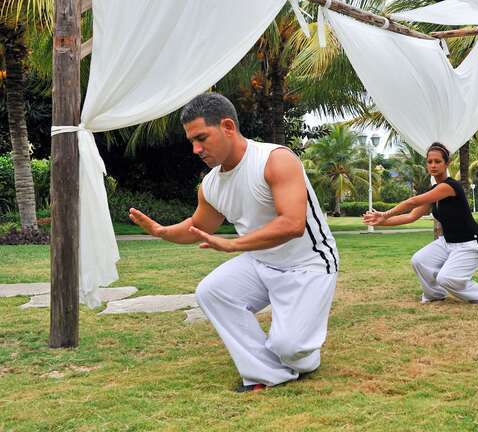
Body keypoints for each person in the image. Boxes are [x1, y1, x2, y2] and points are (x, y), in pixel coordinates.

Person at [128, 93, 339, 391]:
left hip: (309, 264)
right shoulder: (211, 184)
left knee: (289, 349)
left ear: (227, 126)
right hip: (261, 261)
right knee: (212, 291)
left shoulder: (275, 160)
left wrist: (234, 246)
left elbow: (292, 223)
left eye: (201, 137)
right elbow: (197, 227)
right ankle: (266, 373)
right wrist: (163, 231)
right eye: (191, 141)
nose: (195, 149)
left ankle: (301, 356)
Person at [363, 142, 478, 304]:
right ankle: (435, 294)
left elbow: (413, 201)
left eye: (438, 161)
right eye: (430, 162)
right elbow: (411, 216)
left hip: (469, 244)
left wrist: (385, 214)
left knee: (446, 278)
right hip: (448, 243)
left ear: (446, 164)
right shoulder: (432, 191)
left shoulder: (449, 186)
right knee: (419, 261)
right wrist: (380, 221)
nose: (433, 165)